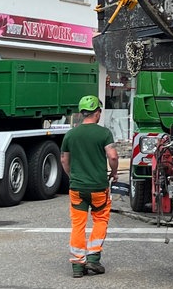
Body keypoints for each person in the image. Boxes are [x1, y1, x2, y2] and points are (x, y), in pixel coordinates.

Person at [61, 95, 118, 277]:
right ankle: (93, 259)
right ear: (97, 112)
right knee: (100, 218)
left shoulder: (70, 134)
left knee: (78, 224)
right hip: (98, 187)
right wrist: (114, 172)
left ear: (82, 113)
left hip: (77, 187)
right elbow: (113, 156)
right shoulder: (104, 133)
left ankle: (78, 265)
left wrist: (72, 176)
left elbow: (64, 160)